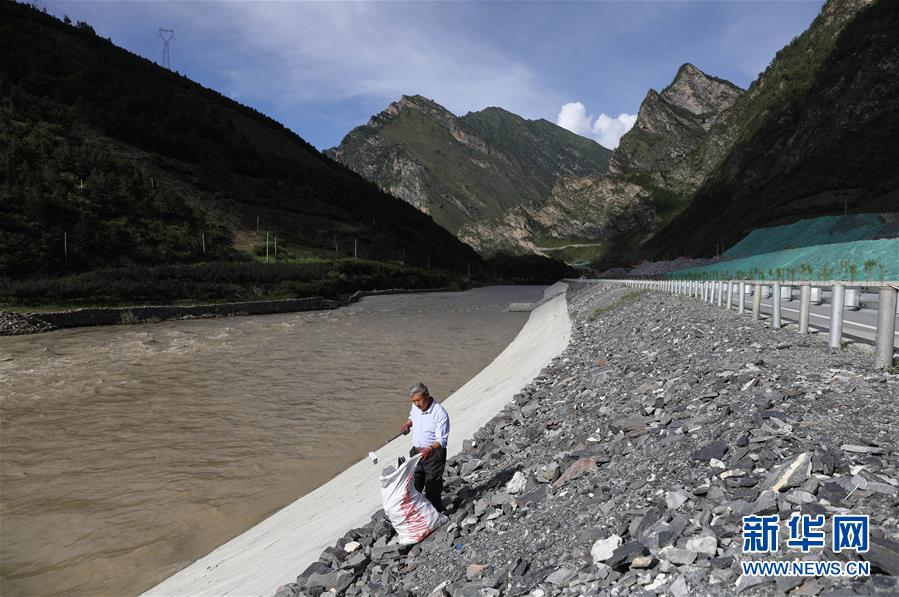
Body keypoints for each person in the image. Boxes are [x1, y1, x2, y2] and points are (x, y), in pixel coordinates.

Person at [400, 382, 449, 512]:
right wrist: (407, 424)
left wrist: (429, 449)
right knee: (414, 485)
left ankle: (436, 514)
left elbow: (442, 440)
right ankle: (418, 513)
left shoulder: (439, 412)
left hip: (433, 454)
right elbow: (412, 416)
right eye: (414, 401)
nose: (417, 403)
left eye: (419, 400)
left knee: (432, 487)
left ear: (427, 395)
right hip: (416, 453)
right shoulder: (415, 407)